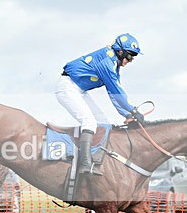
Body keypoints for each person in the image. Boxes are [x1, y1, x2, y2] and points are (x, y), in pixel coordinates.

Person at [55, 33, 145, 175]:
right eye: (129, 56)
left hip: (80, 90)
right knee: (89, 121)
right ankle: (85, 164)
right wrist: (134, 110)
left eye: (133, 58)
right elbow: (117, 92)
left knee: (103, 123)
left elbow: (113, 95)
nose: (130, 60)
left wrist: (126, 113)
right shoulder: (107, 62)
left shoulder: (113, 63)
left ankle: (97, 161)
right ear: (120, 51)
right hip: (68, 87)